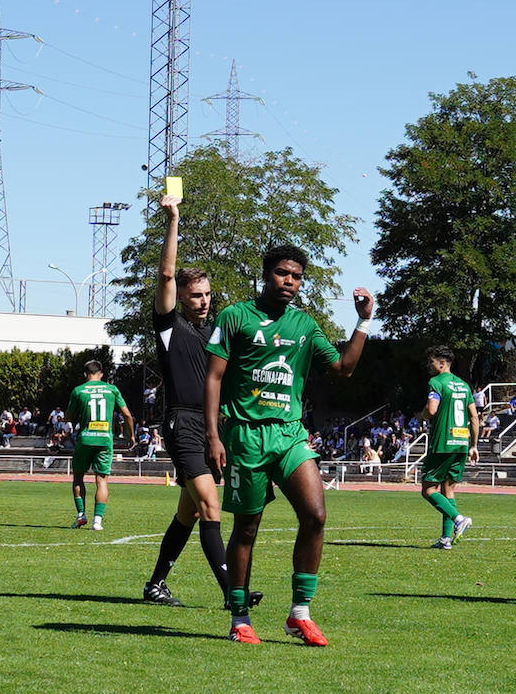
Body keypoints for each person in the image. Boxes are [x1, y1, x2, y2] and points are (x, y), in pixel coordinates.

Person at [205, 243, 373, 644]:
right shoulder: (235, 317)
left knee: (315, 515)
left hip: (290, 433)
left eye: (296, 277)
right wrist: (213, 435)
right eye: (282, 273)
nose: (290, 282)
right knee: (247, 529)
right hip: (246, 435)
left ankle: (300, 613)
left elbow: (344, 368)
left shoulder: (305, 326)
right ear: (265, 275)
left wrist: (363, 322)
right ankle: (240, 619)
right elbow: (212, 378)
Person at [141, 193, 257, 609]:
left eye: (207, 294)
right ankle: (232, 593)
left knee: (188, 512)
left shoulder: (217, 334)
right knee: (210, 504)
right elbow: (167, 275)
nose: (203, 300)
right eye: (196, 295)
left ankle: (155, 584)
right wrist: (173, 219)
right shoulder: (169, 326)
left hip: (213, 427)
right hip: (182, 424)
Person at [419, 346, 478, 549]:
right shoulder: (463, 385)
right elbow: (474, 417)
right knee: (448, 491)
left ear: (442, 363)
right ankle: (445, 540)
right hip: (461, 443)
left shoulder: (436, 382)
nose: (429, 366)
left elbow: (432, 409)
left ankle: (458, 519)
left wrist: (422, 415)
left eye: (431, 362)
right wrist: (474, 445)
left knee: (428, 489)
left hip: (442, 442)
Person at [66, 360, 133, 531]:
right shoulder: (112, 389)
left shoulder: (78, 390)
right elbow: (127, 415)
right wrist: (130, 435)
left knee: (78, 477)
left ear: (85, 374)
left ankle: (81, 515)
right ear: (101, 374)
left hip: (85, 439)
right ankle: (97, 521)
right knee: (101, 481)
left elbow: (68, 416)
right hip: (104, 439)